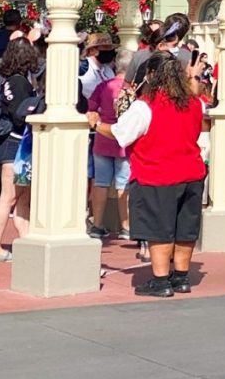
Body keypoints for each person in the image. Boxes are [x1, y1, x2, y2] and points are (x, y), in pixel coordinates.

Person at [89, 50, 207, 297]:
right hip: (191, 172)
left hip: (157, 173)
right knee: (185, 227)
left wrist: (97, 124)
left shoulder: (146, 106)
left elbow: (122, 133)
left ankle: (161, 280)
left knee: (159, 228)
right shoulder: (195, 103)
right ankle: (182, 276)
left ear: (152, 74)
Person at [0, 39, 42, 263]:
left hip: (14, 144)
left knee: (22, 197)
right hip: (17, 145)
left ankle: (25, 240)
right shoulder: (19, 83)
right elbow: (20, 115)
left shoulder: (8, 81)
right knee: (8, 198)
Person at [87, 48, 134, 239]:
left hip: (103, 136)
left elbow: (91, 107)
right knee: (124, 183)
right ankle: (126, 225)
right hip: (124, 141)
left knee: (101, 182)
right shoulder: (132, 89)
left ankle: (97, 224)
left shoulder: (104, 86)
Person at [78, 33, 116, 103]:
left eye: (110, 48)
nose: (109, 51)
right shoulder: (82, 68)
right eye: (105, 48)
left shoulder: (109, 71)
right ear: (92, 50)